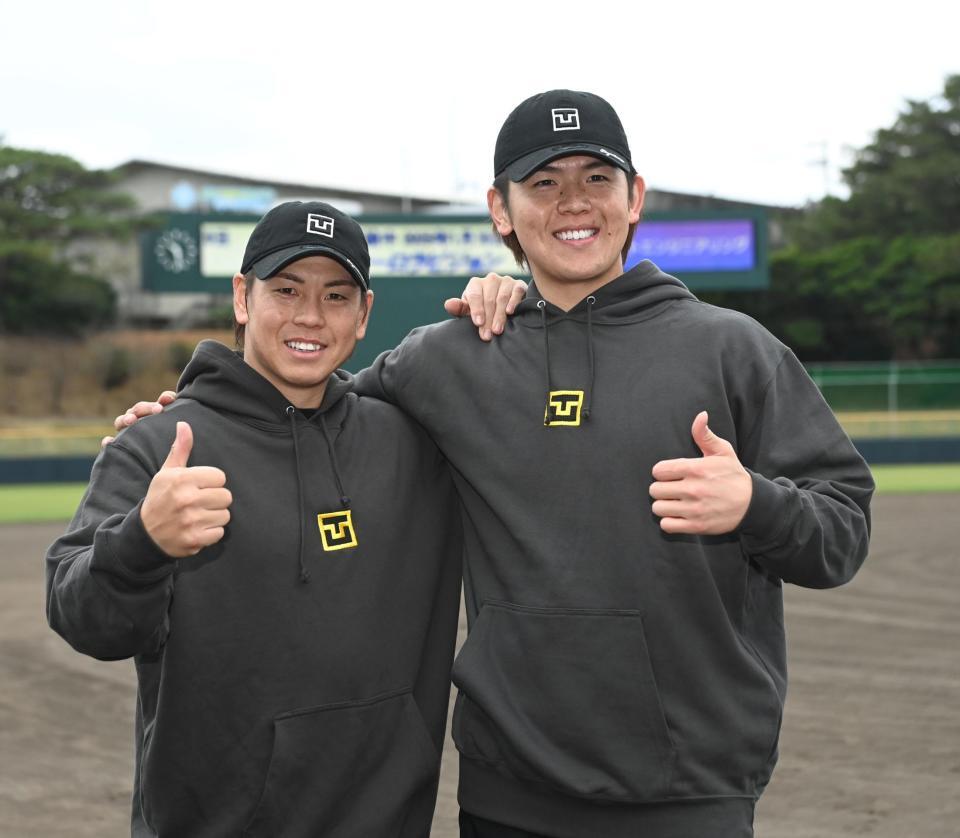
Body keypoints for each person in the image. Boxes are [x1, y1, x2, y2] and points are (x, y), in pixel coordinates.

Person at [113, 90, 875, 837]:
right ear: (501, 210)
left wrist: (756, 505)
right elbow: (305, 402)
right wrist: (196, 415)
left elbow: (842, 527)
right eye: (544, 183)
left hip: (691, 794)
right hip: (508, 794)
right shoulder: (452, 358)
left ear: (635, 196)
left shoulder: (734, 349)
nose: (572, 202)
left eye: (596, 179)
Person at [45, 200, 521, 838]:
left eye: (335, 295)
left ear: (364, 314)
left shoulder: (416, 442)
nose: (309, 316)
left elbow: (550, 448)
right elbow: (84, 619)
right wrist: (142, 540)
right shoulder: (159, 446)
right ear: (243, 297)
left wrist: (523, 304)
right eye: (287, 289)